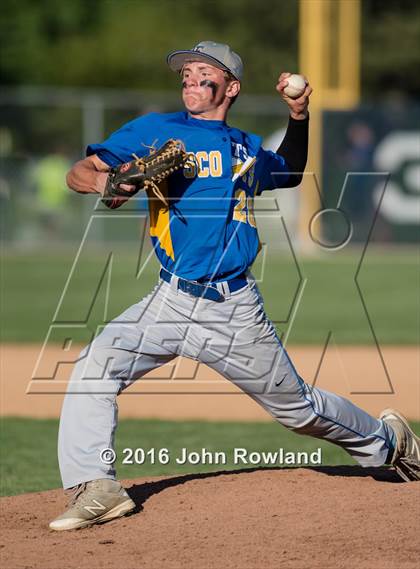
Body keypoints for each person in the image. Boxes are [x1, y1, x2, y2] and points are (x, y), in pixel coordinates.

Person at [49, 41, 420, 531]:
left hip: (233, 310)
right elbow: (83, 172)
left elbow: (287, 171)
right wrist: (107, 184)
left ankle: (389, 442)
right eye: (185, 73)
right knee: (94, 366)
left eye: (203, 71)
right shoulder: (155, 131)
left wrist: (300, 114)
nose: (189, 79)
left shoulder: (243, 146)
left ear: (231, 86)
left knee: (298, 411)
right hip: (168, 298)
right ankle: (97, 487)